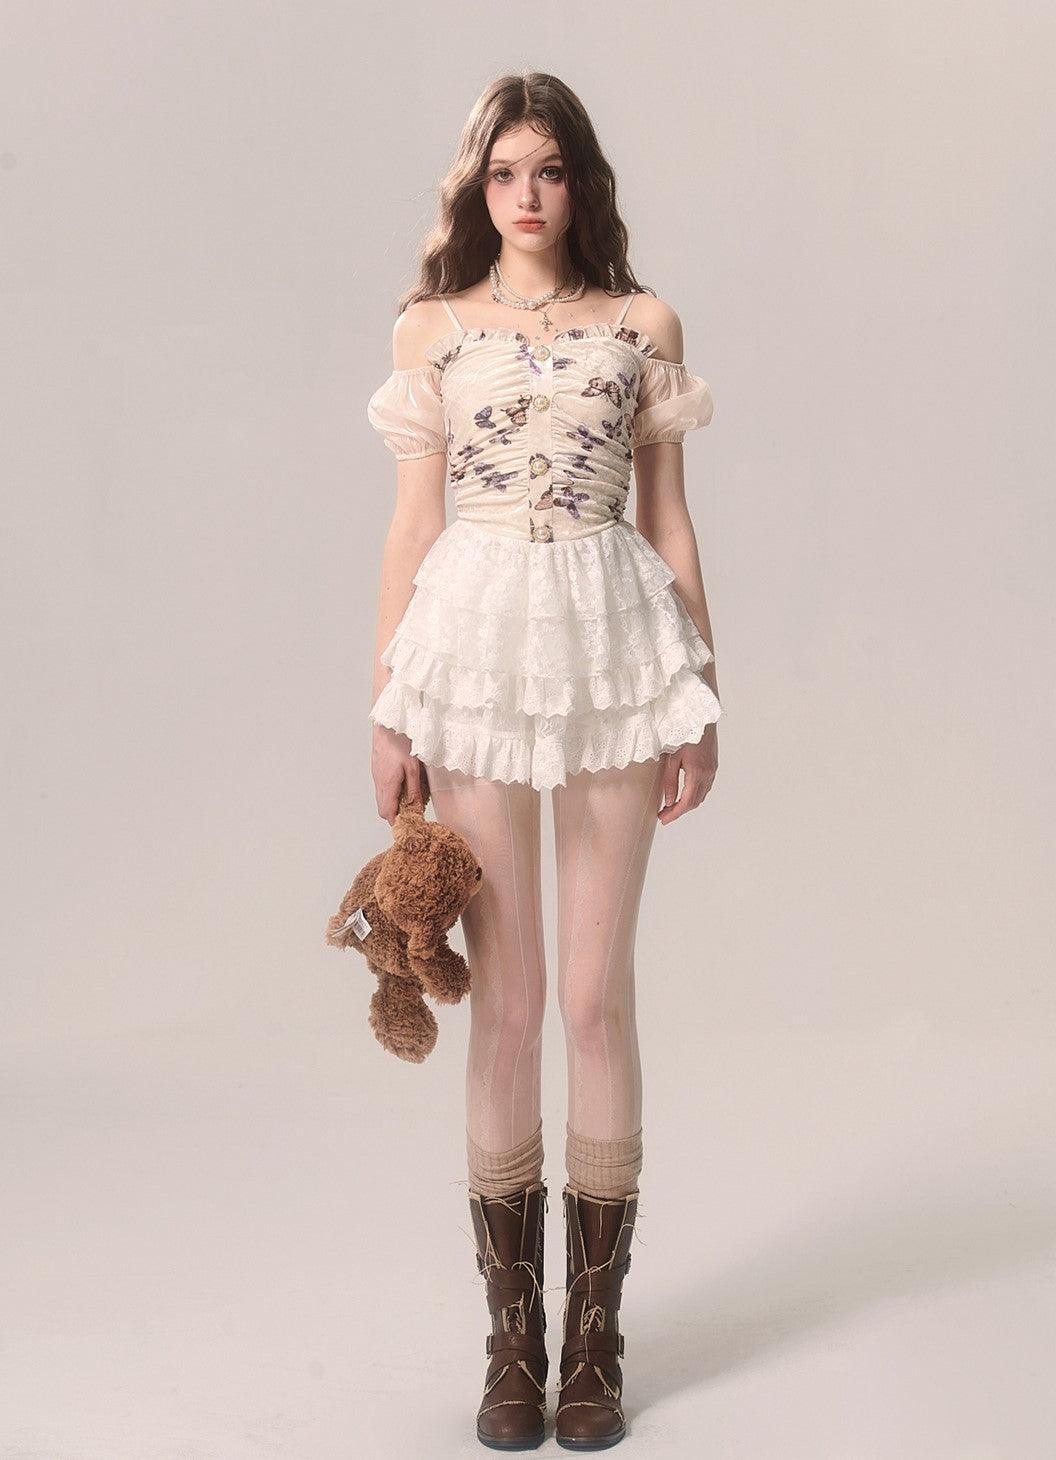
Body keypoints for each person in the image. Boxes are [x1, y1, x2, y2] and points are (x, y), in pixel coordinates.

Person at [364, 72, 723, 1453]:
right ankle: (515, 1340)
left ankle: (597, 1344)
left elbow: (671, 521)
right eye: (505, 171)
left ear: (582, 184)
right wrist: (389, 706)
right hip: (472, 651)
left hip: (616, 642)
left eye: (551, 170)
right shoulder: (434, 330)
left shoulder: (642, 325)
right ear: (479, 186)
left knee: (591, 1001)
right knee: (505, 1005)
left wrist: (700, 692)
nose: (527, 194)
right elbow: (411, 527)